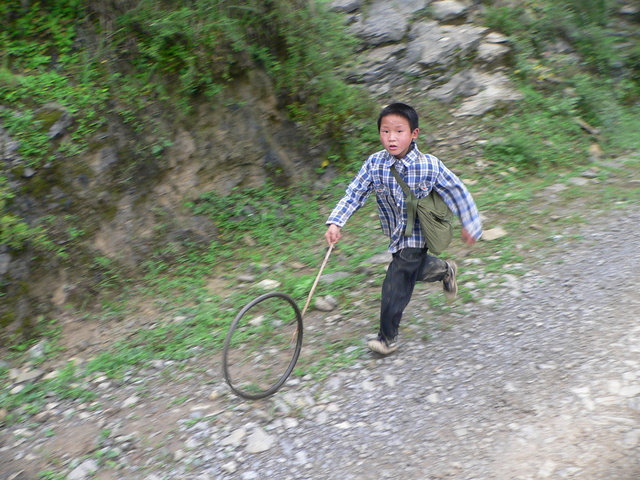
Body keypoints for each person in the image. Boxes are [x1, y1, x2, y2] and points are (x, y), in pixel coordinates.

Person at [324, 102, 482, 355]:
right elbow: (354, 193)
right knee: (410, 270)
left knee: (396, 278)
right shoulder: (375, 164)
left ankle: (387, 338)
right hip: (396, 231)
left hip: (419, 233)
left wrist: (470, 223)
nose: (392, 138)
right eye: (385, 131)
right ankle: (445, 269)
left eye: (399, 131)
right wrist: (336, 221)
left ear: (414, 134)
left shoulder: (429, 165)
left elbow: (456, 191)